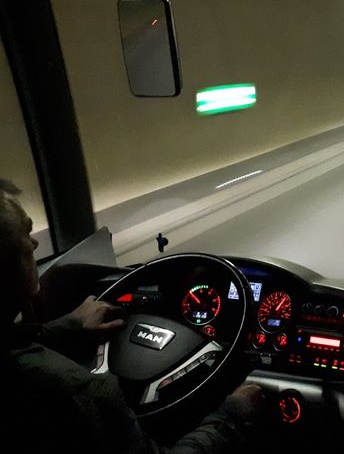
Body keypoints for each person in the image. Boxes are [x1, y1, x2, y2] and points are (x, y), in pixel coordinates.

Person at [0, 178, 266, 453]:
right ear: (4, 260)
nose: (33, 243)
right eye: (25, 233)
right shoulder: (80, 393)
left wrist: (68, 327)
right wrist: (230, 418)